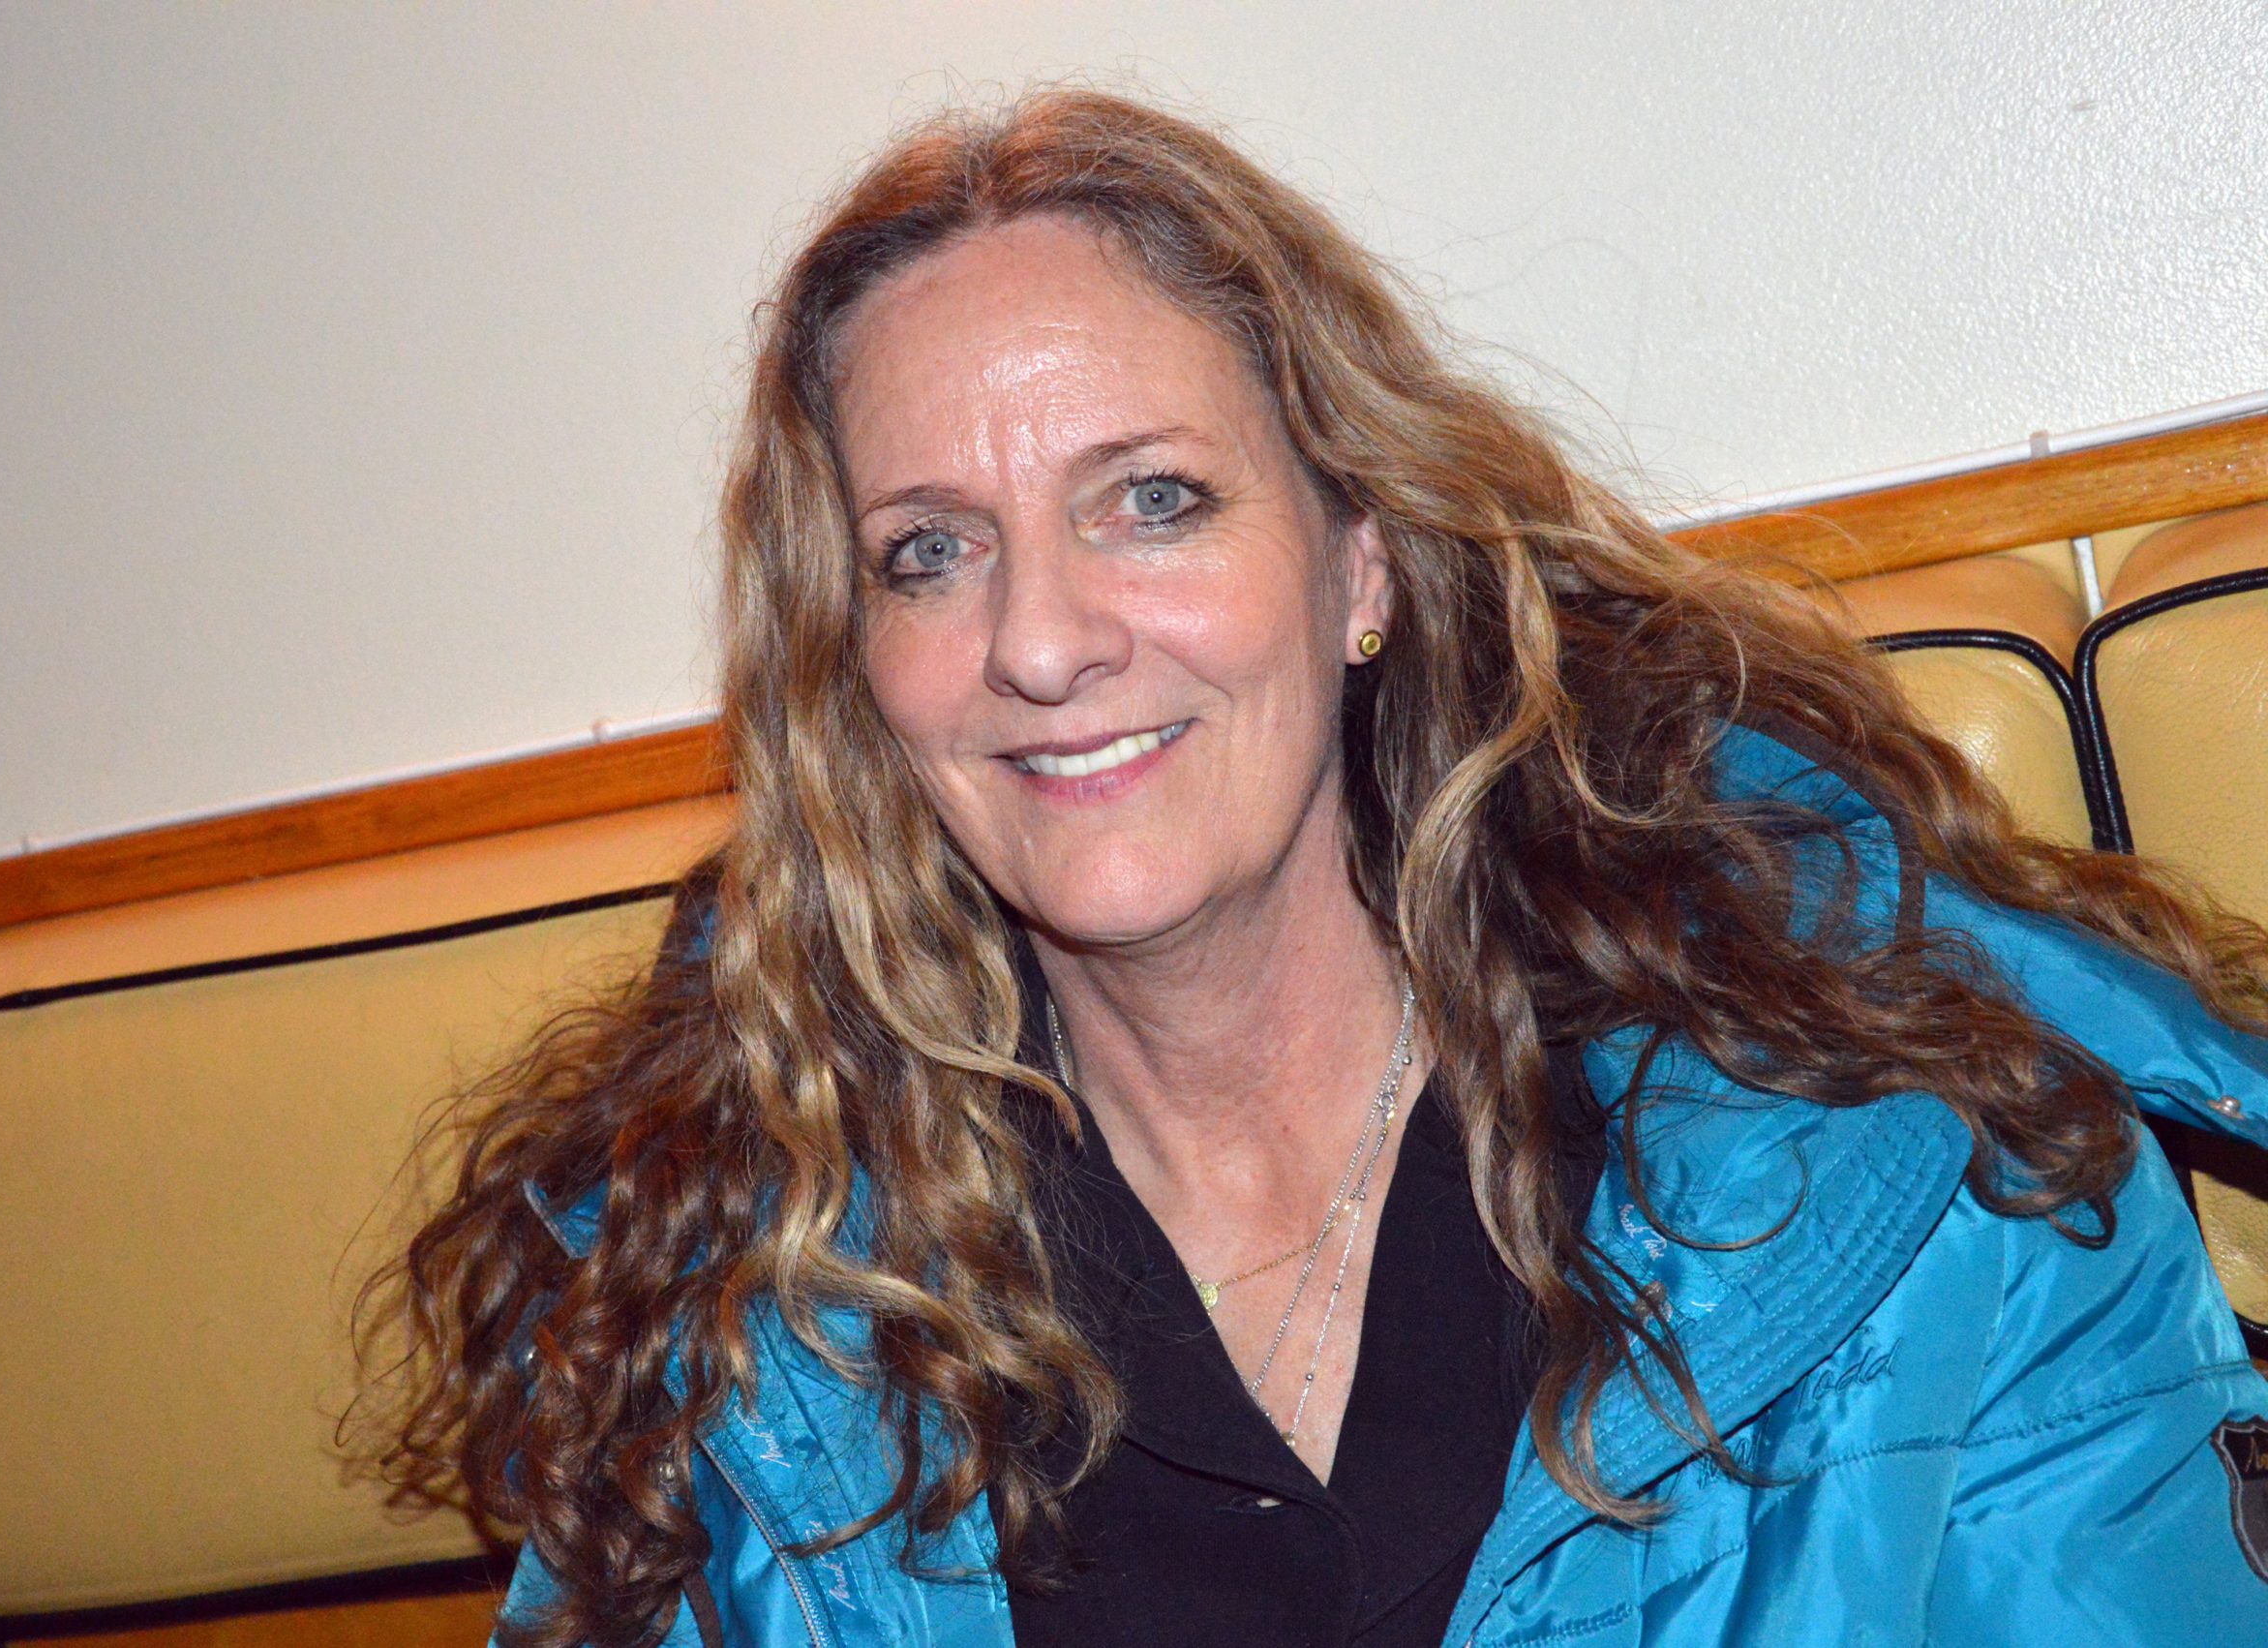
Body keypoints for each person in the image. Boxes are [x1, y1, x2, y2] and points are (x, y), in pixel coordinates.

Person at [370, 90, 2268, 1646]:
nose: (1040, 639)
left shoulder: (1904, 1151)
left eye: (1152, 500)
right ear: (857, 672)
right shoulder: (736, 1307)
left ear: (1359, 564)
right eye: (927, 551)